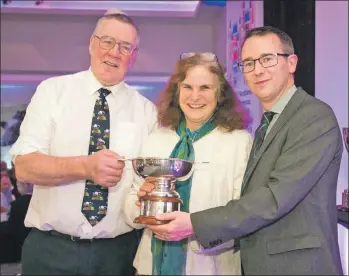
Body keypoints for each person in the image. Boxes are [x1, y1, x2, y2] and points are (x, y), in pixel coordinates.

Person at [145, 26, 344, 275]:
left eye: (267, 59)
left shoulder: (313, 116)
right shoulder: (269, 122)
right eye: (248, 63)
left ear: (291, 63)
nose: (257, 70)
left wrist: (194, 223)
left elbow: (274, 198)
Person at [10, 11, 157, 275]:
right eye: (107, 42)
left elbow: (145, 185)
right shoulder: (52, 92)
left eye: (125, 47)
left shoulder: (147, 112)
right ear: (91, 44)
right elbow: (24, 167)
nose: (114, 53)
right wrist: (86, 167)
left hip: (117, 254)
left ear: (133, 56)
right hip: (50, 250)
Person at [123, 52, 252, 275]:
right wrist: (142, 201)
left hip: (211, 267)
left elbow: (243, 214)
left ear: (220, 94)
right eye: (187, 87)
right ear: (177, 91)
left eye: (205, 88)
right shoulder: (156, 139)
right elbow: (130, 210)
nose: (195, 96)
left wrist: (193, 227)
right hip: (151, 267)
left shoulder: (239, 142)